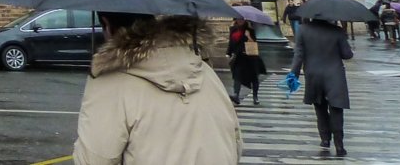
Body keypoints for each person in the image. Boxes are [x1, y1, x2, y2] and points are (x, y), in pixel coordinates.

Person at [72, 13, 240, 164]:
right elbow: (235, 142)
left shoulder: (110, 83)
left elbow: (93, 159)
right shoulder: (205, 71)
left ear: (107, 24)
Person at [290, 16, 353, 157]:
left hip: (313, 74)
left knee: (320, 107)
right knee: (337, 109)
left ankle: (325, 139)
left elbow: (298, 55)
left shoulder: (303, 30)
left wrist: (293, 74)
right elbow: (347, 55)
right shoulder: (337, 31)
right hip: (334, 74)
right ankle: (339, 145)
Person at [226, 17, 265, 105]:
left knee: (254, 78)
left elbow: (254, 42)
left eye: (242, 20)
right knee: (237, 76)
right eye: (238, 19)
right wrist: (228, 53)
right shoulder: (233, 29)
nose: (240, 21)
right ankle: (236, 95)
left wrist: (248, 36)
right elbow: (231, 42)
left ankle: (255, 97)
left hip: (250, 57)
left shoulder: (249, 30)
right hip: (238, 57)